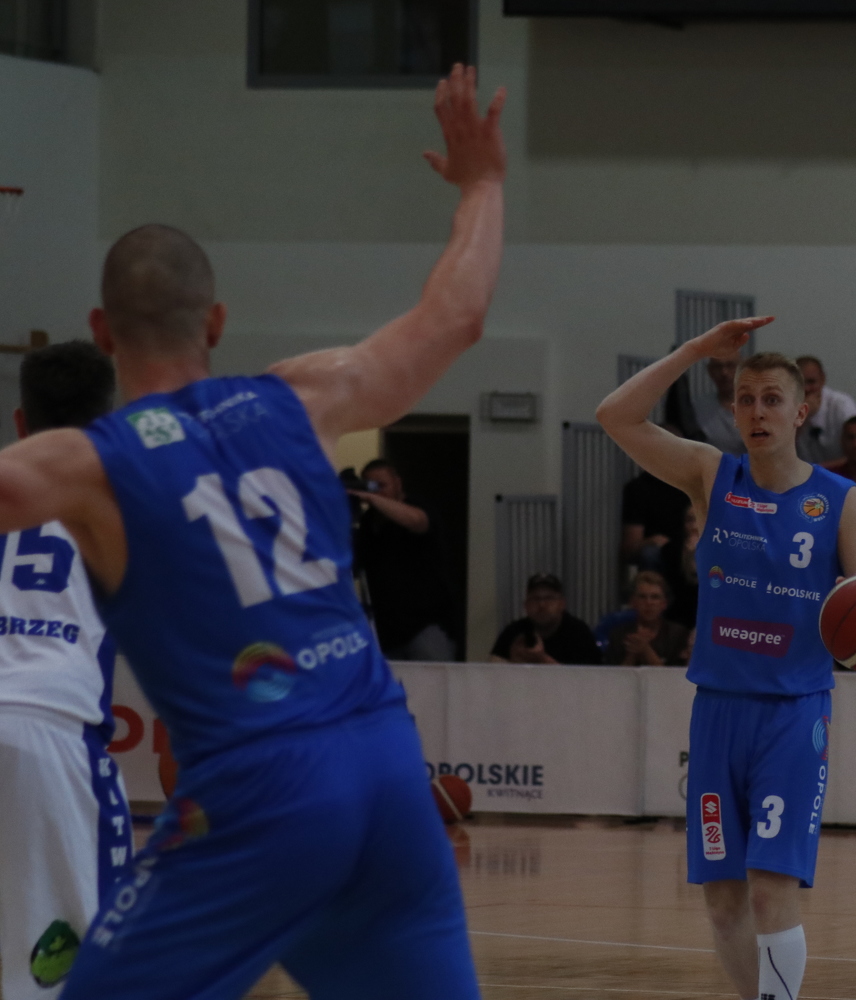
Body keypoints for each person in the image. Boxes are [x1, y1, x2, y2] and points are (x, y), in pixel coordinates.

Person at [5, 66, 508, 998]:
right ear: (218, 320)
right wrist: (482, 185)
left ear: (101, 332)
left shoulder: (89, 463)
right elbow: (457, 316)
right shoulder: (302, 399)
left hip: (262, 787)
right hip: (386, 763)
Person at [596, 316, 856, 1000]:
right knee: (724, 903)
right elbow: (615, 416)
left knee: (770, 889)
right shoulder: (711, 475)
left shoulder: (840, 500)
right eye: (745, 399)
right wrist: (696, 350)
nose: (757, 412)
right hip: (718, 711)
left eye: (772, 399)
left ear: (801, 412)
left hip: (793, 713)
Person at [0, 343, 132, 1000]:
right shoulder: (128, 500)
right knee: (84, 966)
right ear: (108, 418)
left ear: (21, 421)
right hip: (53, 731)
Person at [350, 458, 457, 662]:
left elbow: (417, 521)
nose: (376, 491)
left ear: (398, 483)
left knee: (432, 679)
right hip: (385, 630)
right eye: (370, 486)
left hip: (425, 625)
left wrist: (371, 497)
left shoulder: (416, 506)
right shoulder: (367, 522)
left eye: (381, 485)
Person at [490, 573, 602, 665]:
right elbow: (492, 668)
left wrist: (542, 660)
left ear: (562, 604)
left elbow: (590, 677)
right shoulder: (514, 632)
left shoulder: (578, 632)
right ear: (526, 605)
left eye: (549, 598)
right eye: (535, 599)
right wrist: (512, 663)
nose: (542, 605)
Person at [606, 571, 690, 666]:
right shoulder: (618, 635)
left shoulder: (678, 634)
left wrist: (646, 650)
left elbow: (674, 674)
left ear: (664, 603)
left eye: (655, 597)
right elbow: (612, 674)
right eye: (642, 597)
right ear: (633, 602)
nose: (649, 602)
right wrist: (632, 654)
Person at [622, 465, 690, 572]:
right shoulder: (638, 489)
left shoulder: (691, 485)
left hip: (689, 548)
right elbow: (630, 549)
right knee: (650, 553)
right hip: (659, 553)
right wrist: (650, 542)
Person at [794, 357, 856, 465]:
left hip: (841, 471)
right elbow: (779, 454)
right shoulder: (783, 407)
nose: (806, 389)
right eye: (801, 383)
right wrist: (803, 416)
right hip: (800, 473)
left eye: (811, 382)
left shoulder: (842, 405)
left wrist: (818, 470)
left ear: (822, 380)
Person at [695, 355, 747, 455]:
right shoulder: (697, 408)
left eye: (730, 365)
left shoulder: (756, 408)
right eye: (718, 367)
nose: (724, 372)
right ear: (710, 371)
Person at [660, 506, 701, 630]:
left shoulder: (720, 549)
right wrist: (690, 556)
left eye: (699, 519)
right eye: (690, 520)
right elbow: (677, 587)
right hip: (678, 611)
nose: (694, 526)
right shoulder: (670, 550)